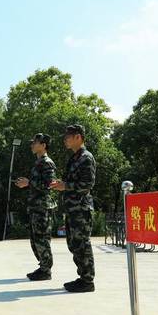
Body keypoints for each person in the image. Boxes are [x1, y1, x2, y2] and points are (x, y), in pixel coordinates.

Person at [50, 124, 97, 293]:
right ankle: (82, 277)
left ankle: (87, 281)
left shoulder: (86, 157)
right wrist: (61, 185)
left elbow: (87, 184)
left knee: (82, 243)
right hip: (72, 208)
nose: (65, 139)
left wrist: (66, 186)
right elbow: (71, 182)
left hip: (81, 209)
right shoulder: (74, 158)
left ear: (78, 137)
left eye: (68, 136)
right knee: (74, 244)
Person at [15, 133, 56, 281]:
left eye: (35, 142)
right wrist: (26, 184)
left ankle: (46, 270)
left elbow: (49, 185)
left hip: (42, 207)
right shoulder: (38, 162)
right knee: (35, 240)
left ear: (43, 145)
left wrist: (29, 183)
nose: (32, 145)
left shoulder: (47, 163)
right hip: (35, 207)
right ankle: (43, 267)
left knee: (41, 239)